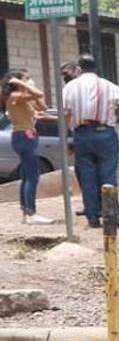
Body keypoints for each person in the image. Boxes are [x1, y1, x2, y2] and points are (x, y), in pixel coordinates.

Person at [61, 54, 119, 228]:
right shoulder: (109, 85)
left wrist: (69, 134)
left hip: (82, 133)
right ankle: (111, 215)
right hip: (105, 132)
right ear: (96, 68)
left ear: (79, 69)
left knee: (87, 176)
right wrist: (111, 115)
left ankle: (92, 217)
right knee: (108, 175)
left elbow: (66, 113)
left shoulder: (70, 86)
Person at [2, 69, 53, 225]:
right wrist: (21, 83)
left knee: (27, 175)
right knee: (32, 175)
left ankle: (26, 211)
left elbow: (43, 106)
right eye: (25, 78)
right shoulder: (15, 96)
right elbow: (39, 93)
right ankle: (31, 212)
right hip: (23, 136)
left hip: (28, 135)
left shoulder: (24, 98)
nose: (29, 81)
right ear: (17, 81)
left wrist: (28, 89)